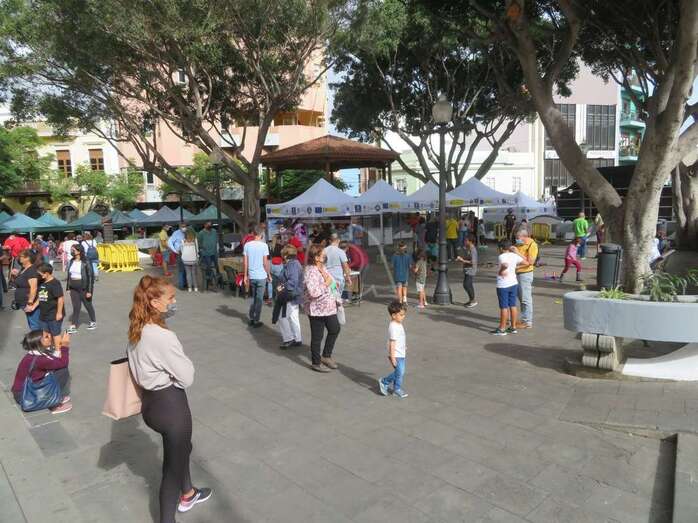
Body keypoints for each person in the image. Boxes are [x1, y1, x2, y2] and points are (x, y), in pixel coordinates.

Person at [127, 275, 212, 523]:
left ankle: (188, 492)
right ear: (154, 302)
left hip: (150, 405)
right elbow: (187, 376)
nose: (174, 302)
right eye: (171, 298)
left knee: (182, 450)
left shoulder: (137, 326)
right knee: (172, 470)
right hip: (171, 407)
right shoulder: (162, 337)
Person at [12, 330, 72, 414]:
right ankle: (53, 404)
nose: (50, 336)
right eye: (46, 337)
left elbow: (54, 361)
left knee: (57, 369)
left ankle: (54, 396)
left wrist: (59, 344)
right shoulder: (40, 360)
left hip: (21, 392)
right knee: (62, 371)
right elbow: (63, 363)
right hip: (26, 396)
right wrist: (65, 345)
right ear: (39, 343)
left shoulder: (34, 354)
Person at [303, 244, 341, 373]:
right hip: (316, 309)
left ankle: (326, 356)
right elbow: (313, 292)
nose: (325, 256)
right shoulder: (310, 271)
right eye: (323, 254)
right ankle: (316, 362)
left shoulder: (323, 268)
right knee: (317, 337)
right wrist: (326, 284)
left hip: (329, 307)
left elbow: (332, 282)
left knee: (335, 329)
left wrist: (335, 286)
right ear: (316, 257)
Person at [492, 240, 525, 336]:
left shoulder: (501, 256)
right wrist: (514, 267)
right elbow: (527, 262)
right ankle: (513, 327)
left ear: (501, 248)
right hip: (513, 283)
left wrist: (502, 270)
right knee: (513, 305)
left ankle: (502, 329)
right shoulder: (514, 255)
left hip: (503, 285)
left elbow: (504, 266)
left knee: (504, 307)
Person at [378, 300, 408, 398]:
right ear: (394, 315)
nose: (403, 317)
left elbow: (400, 338)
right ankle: (385, 382)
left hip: (401, 352)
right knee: (400, 372)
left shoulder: (398, 323)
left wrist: (404, 346)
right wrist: (393, 357)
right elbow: (392, 343)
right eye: (401, 315)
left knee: (399, 372)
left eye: (404, 315)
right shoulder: (393, 327)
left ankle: (396, 389)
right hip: (396, 354)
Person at [275, 245, 303, 349]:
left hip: (290, 295)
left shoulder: (292, 265)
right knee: (293, 317)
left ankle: (289, 338)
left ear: (286, 255)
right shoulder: (294, 263)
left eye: (283, 254)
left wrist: (281, 287)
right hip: (295, 295)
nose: (282, 256)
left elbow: (293, 281)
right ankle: (297, 338)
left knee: (281, 317)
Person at [243, 224, 270, 328]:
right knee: (259, 299)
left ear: (253, 233)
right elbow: (265, 263)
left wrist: (245, 275)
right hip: (261, 275)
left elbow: (245, 262)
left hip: (252, 275)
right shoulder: (264, 246)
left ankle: (251, 317)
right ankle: (256, 319)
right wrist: (269, 274)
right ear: (261, 234)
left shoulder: (247, 245)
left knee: (254, 297)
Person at [65, 244, 96, 333]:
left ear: (79, 251)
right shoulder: (71, 261)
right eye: (71, 250)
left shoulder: (86, 261)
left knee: (88, 305)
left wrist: (89, 291)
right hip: (73, 288)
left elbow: (90, 277)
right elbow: (69, 275)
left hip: (83, 288)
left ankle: (93, 321)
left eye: (73, 250)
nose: (71, 251)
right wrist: (68, 287)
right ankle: (73, 326)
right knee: (76, 307)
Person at [36, 263, 65, 346]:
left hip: (53, 313)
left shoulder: (55, 283)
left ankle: (58, 350)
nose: (38, 275)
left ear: (46, 273)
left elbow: (60, 298)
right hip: (43, 313)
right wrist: (33, 306)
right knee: (45, 332)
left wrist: (59, 313)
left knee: (55, 333)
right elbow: (40, 296)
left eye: (40, 274)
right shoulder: (41, 282)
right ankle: (48, 348)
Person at [514, 228, 538, 330]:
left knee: (526, 298)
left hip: (525, 274)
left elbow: (531, 262)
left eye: (517, 237)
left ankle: (528, 321)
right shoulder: (519, 245)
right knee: (521, 298)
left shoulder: (532, 245)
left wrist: (517, 253)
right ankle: (524, 319)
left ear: (524, 236)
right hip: (517, 273)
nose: (516, 239)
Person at [14, 249, 41, 329]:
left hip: (29, 303)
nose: (19, 258)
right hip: (23, 302)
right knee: (32, 323)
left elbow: (34, 288)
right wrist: (16, 274)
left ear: (28, 258)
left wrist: (30, 303)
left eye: (21, 256)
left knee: (35, 325)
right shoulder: (24, 269)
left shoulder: (31, 270)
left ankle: (37, 337)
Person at [323, 233, 351, 300]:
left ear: (330, 241)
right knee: (336, 297)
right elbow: (345, 266)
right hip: (338, 279)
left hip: (327, 278)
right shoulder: (340, 251)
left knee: (331, 296)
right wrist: (348, 277)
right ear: (338, 240)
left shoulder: (324, 250)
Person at [456, 234, 478, 308]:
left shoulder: (472, 249)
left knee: (466, 285)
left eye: (466, 240)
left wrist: (462, 260)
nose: (464, 241)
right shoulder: (468, 248)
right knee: (469, 285)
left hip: (470, 270)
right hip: (467, 269)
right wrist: (460, 258)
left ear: (470, 241)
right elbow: (467, 257)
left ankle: (473, 300)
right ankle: (471, 300)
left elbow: (473, 262)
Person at [197, 221, 219, 287]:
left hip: (214, 252)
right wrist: (203, 248)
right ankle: (209, 281)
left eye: (210, 224)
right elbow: (199, 243)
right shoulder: (201, 233)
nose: (209, 225)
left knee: (217, 266)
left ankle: (218, 280)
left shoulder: (214, 231)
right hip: (206, 253)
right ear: (204, 225)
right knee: (208, 267)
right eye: (208, 224)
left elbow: (216, 239)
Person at [168, 223, 189, 290]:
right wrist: (175, 251)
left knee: (187, 269)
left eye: (185, 226)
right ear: (179, 227)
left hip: (188, 252)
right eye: (182, 226)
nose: (184, 228)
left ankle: (186, 284)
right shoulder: (176, 233)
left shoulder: (188, 232)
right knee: (181, 270)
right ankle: (181, 285)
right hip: (180, 253)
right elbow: (169, 242)